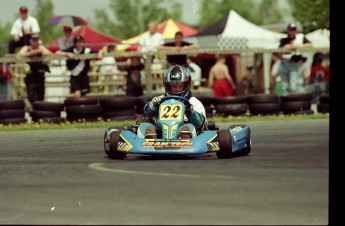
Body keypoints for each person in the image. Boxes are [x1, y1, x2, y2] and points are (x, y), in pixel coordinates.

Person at [137, 65, 207, 139]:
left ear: (186, 85)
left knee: (188, 128)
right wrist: (153, 105)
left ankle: (185, 138)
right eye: (173, 86)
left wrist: (190, 112)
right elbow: (146, 112)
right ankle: (150, 140)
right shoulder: (160, 99)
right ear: (168, 85)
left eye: (180, 86)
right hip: (161, 132)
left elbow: (200, 123)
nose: (177, 89)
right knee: (144, 126)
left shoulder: (193, 102)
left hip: (185, 132)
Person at [17, 34, 53, 104]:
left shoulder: (41, 48)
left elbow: (50, 54)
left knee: (40, 96)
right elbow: (19, 55)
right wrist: (31, 53)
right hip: (30, 76)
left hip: (40, 75)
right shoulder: (26, 48)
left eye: (36, 40)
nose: (35, 42)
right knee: (31, 95)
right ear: (30, 41)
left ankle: (39, 112)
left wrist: (41, 52)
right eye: (33, 40)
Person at [278, 23, 313, 95]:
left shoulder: (300, 37)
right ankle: (286, 103)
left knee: (293, 86)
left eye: (294, 30)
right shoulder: (284, 40)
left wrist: (299, 46)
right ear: (288, 30)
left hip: (294, 63)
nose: (292, 31)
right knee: (284, 86)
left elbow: (311, 44)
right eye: (291, 30)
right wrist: (287, 47)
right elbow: (279, 51)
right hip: (284, 63)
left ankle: (298, 100)